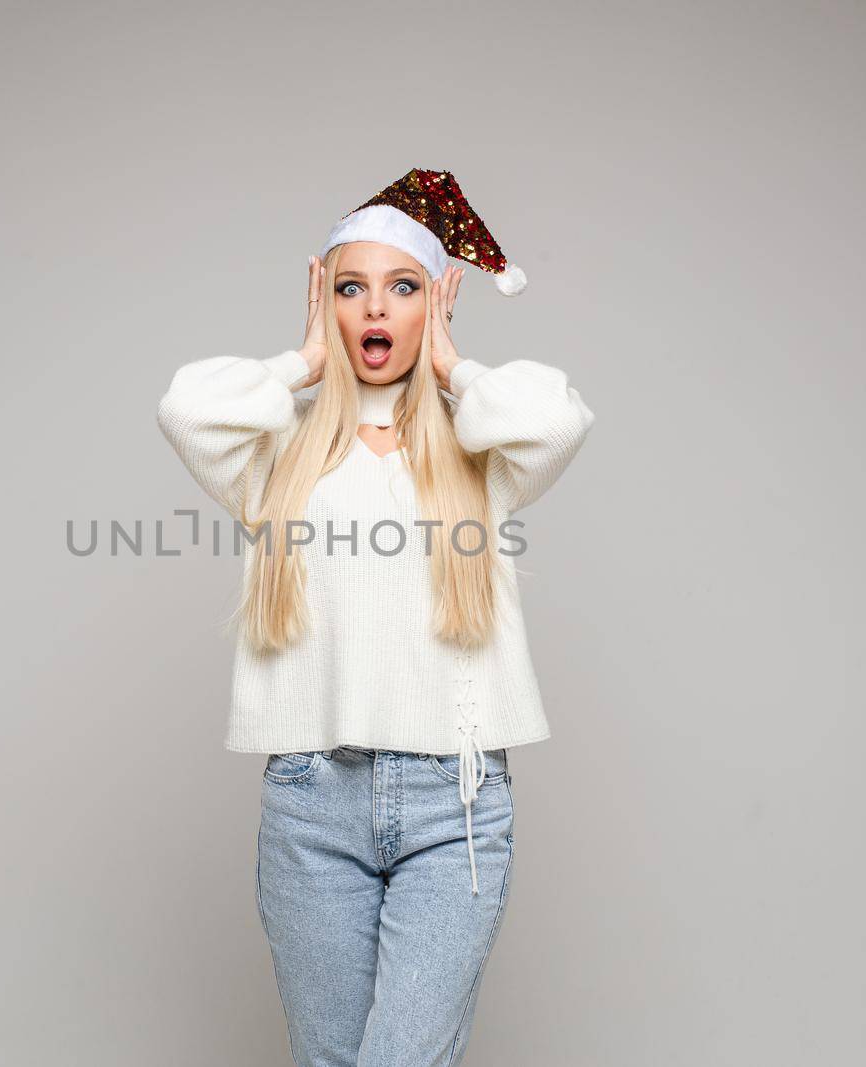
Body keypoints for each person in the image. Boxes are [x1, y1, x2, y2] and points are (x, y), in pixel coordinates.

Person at [155, 168, 596, 1066]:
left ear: (435, 300)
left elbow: (557, 418)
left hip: (453, 805)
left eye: (403, 287)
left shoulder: (478, 453)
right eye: (351, 289)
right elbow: (185, 407)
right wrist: (304, 362)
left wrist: (452, 364)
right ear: (327, 303)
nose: (374, 311)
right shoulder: (278, 452)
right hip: (311, 806)